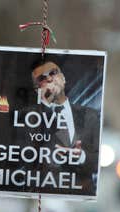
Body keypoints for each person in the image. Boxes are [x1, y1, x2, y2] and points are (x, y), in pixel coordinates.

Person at [26, 58, 101, 195]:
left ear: (63, 78)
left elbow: (98, 161)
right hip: (43, 193)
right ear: (37, 89)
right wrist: (46, 105)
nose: (49, 79)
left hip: (80, 194)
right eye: (42, 78)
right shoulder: (28, 117)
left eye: (53, 73)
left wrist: (81, 156)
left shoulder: (91, 115)